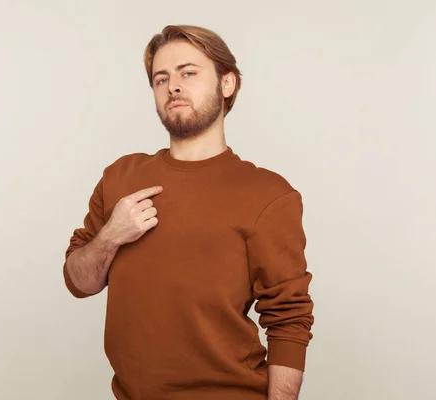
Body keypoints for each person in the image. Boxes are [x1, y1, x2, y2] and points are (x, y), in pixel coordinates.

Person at [62, 24, 314, 400]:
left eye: (188, 73)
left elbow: (289, 320)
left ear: (227, 84)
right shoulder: (120, 176)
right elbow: (79, 283)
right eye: (160, 78)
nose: (173, 86)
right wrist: (111, 236)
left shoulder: (268, 194)